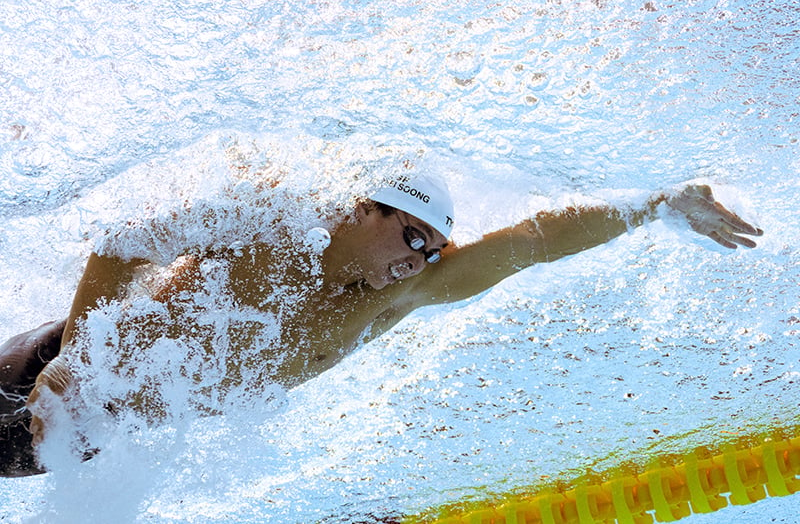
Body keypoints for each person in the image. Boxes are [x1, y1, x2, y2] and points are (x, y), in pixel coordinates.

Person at [0, 173, 762, 477]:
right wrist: (79, 354)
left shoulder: (393, 298)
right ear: (369, 207)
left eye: (433, 247)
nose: (420, 259)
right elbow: (123, 246)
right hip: (60, 365)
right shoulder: (270, 220)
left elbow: (534, 242)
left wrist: (655, 205)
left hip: (108, 431)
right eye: (412, 236)